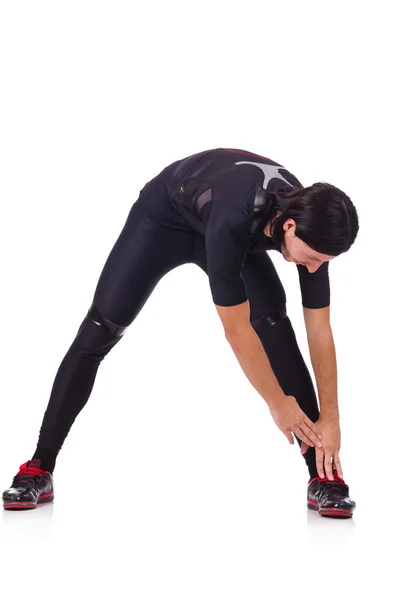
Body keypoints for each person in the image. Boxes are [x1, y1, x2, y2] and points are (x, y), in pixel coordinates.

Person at [2, 147, 358, 518]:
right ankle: (39, 467)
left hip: (230, 223)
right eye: (314, 258)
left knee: (275, 325)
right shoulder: (236, 218)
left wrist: (331, 416)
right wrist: (276, 402)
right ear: (289, 226)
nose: (314, 269)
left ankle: (323, 478)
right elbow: (236, 332)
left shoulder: (313, 223)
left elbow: (319, 331)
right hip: (165, 221)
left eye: (324, 262)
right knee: (99, 331)